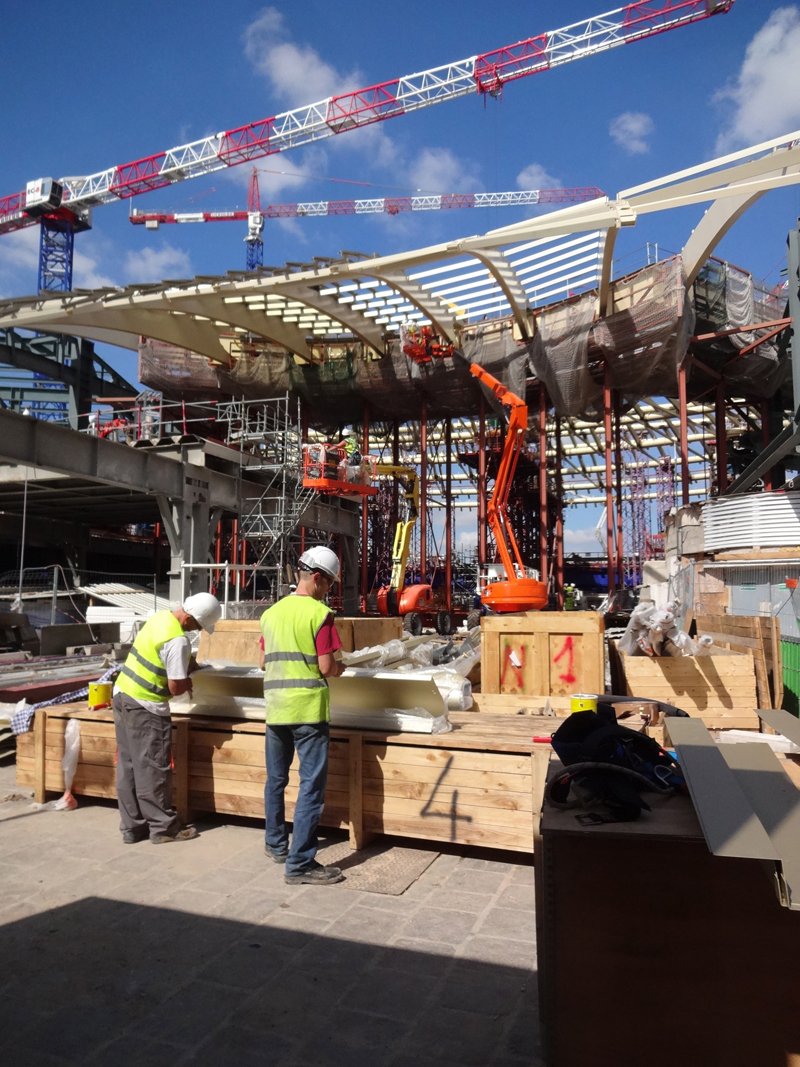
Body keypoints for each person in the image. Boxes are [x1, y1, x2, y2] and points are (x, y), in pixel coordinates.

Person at [259, 545, 345, 885]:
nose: (330, 592)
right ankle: (300, 865)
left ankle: (276, 844)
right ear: (318, 579)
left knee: (276, 781)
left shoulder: (270, 614)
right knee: (310, 787)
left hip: (276, 710)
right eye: (330, 585)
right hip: (308, 711)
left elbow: (263, 662)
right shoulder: (319, 614)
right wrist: (341, 667)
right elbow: (326, 666)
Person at [112, 592, 221, 844]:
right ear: (191, 620)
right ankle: (163, 828)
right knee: (153, 767)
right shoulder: (178, 640)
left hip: (123, 695)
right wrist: (189, 681)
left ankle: (132, 827)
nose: (198, 631)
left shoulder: (160, 618)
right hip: (146, 707)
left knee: (129, 766)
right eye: (198, 626)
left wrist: (189, 662)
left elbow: (162, 653)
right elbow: (174, 687)